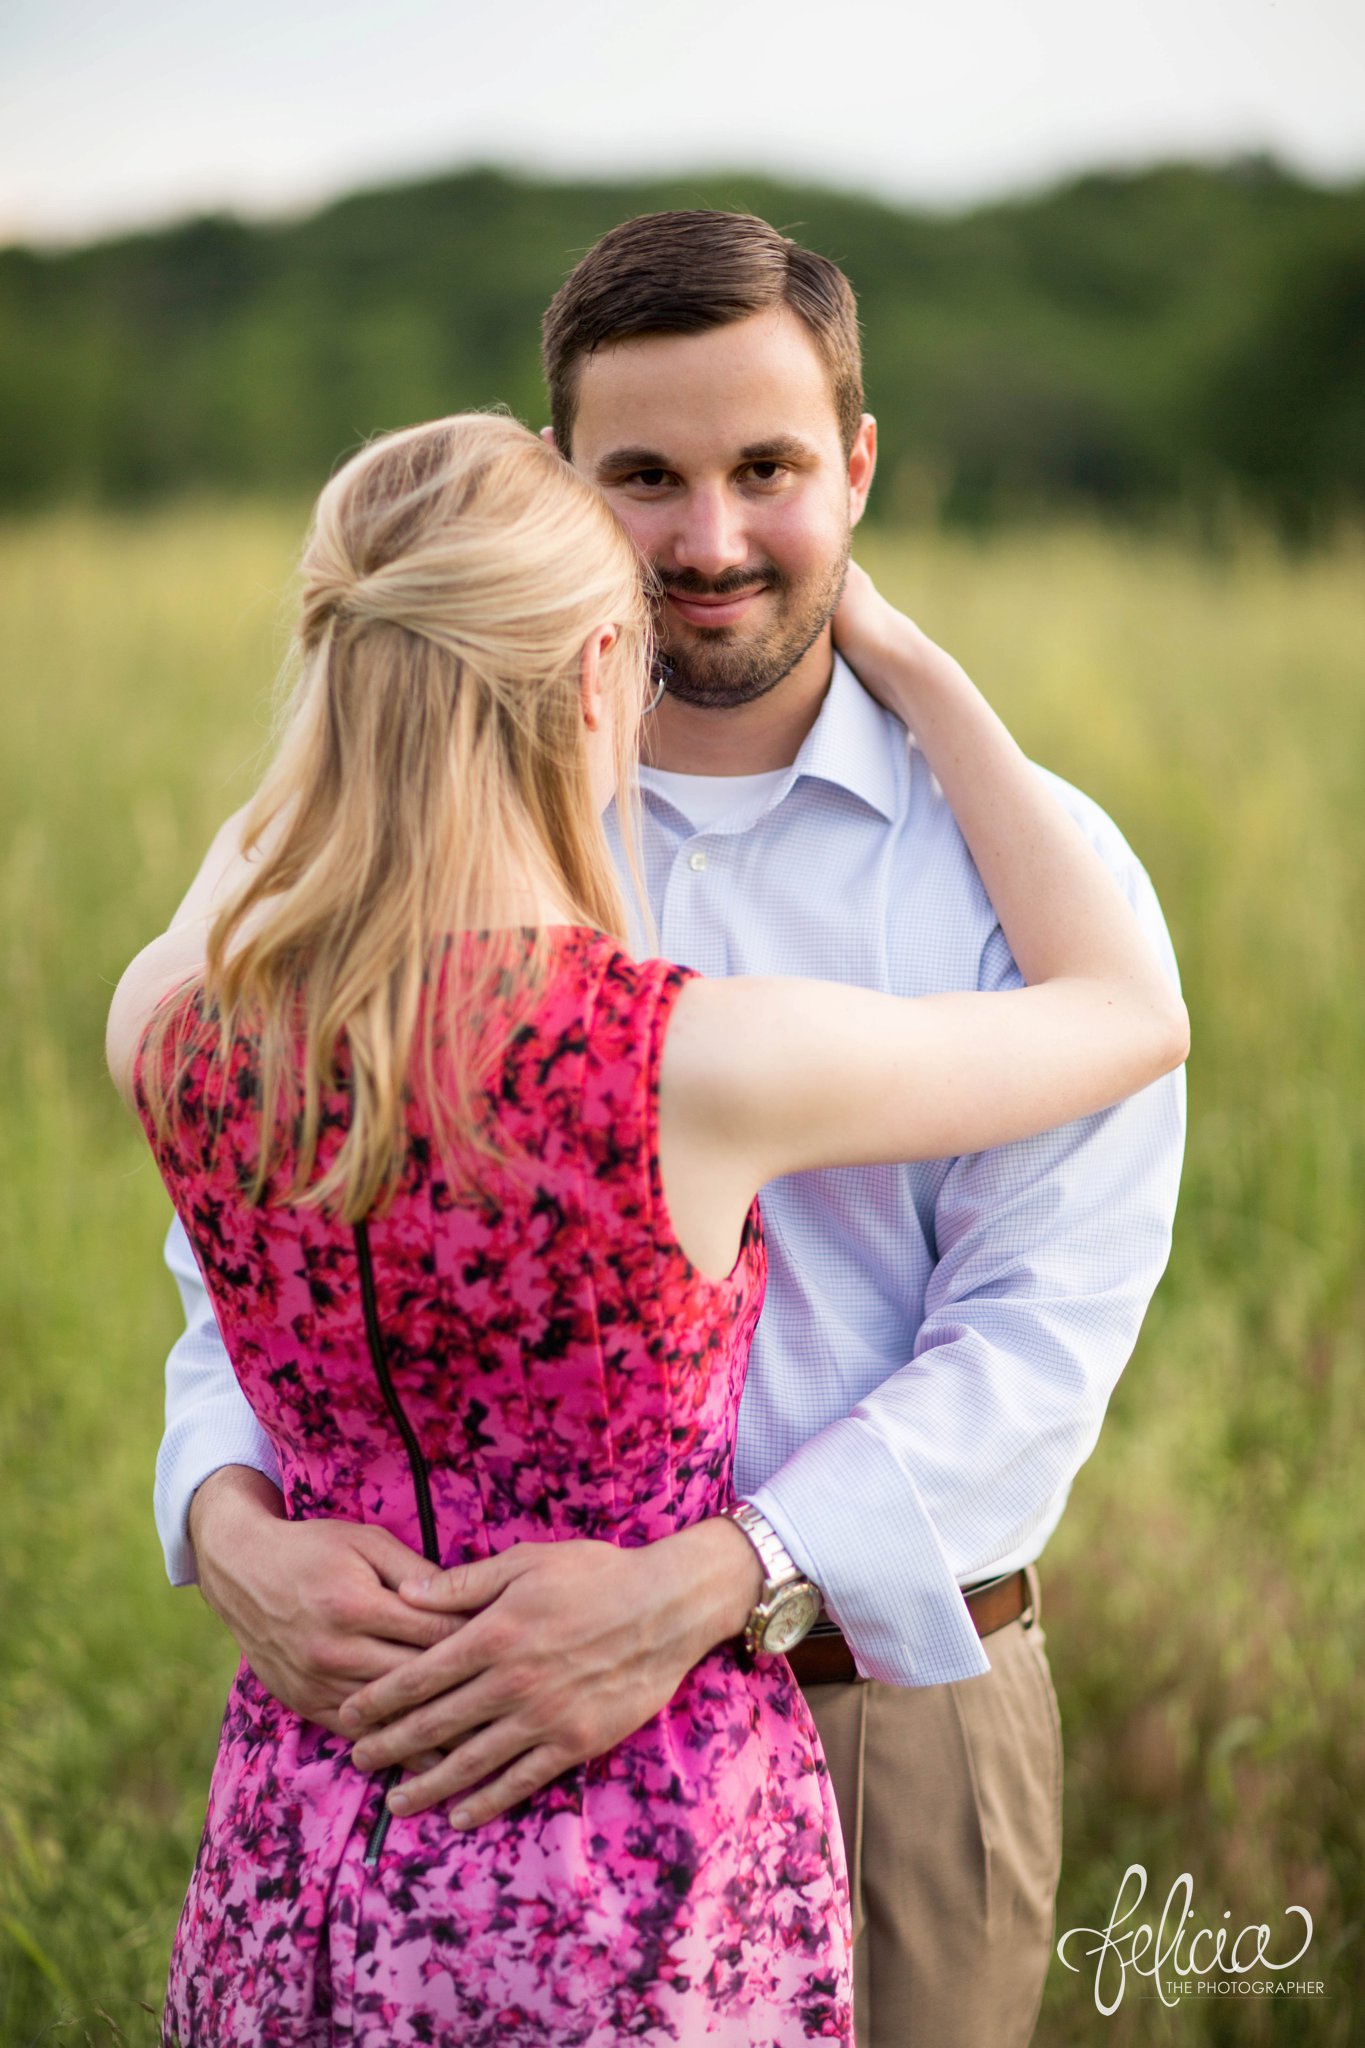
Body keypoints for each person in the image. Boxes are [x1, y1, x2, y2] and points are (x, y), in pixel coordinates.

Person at [148, 214, 1188, 2047]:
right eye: (644, 478)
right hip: (425, 1727)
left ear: (855, 467)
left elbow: (1036, 1343)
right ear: (559, 490)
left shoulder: (1029, 868)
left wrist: (715, 1583)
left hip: (880, 1703)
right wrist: (223, 1519)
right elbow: (237, 1255)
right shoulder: (390, 879)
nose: (709, 542)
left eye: (768, 471)